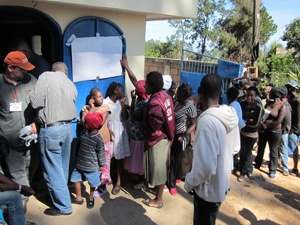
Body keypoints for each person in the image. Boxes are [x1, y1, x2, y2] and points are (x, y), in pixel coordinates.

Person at [184, 73, 240, 225]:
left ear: (200, 92)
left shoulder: (207, 122)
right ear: (220, 92)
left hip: (207, 192)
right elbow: (235, 148)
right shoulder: (230, 116)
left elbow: (205, 167)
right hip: (221, 185)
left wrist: (189, 182)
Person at [30, 62, 78, 216]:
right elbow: (74, 99)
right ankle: (61, 197)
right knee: (62, 168)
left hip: (51, 129)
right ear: (65, 71)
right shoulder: (70, 83)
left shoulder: (45, 76)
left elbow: (35, 102)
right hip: (68, 129)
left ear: (53, 69)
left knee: (52, 170)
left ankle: (63, 206)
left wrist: (30, 93)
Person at [0, 51, 36, 204]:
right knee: (19, 176)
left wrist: (36, 121)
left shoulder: (31, 80)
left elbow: (41, 104)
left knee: (28, 171)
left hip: (31, 141)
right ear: (10, 68)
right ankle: (20, 210)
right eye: (21, 69)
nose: (25, 72)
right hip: (10, 141)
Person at [142, 71, 175, 209]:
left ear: (152, 85)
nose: (144, 87)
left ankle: (158, 200)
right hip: (166, 136)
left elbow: (156, 124)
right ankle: (157, 191)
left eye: (146, 84)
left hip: (158, 139)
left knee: (159, 170)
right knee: (161, 168)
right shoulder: (165, 96)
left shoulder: (155, 103)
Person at [120, 55, 149, 189]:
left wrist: (130, 102)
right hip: (139, 135)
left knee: (139, 160)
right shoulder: (145, 97)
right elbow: (135, 81)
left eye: (137, 90)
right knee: (138, 159)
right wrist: (127, 66)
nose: (135, 89)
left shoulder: (143, 104)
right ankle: (139, 179)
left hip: (140, 136)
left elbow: (132, 116)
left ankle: (142, 181)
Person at [70, 112, 106, 209]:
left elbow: (101, 153)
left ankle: (91, 198)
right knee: (75, 179)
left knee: (93, 183)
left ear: (89, 125)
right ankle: (79, 198)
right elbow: (79, 146)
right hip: (79, 164)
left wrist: (102, 165)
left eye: (85, 122)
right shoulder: (83, 133)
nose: (83, 123)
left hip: (91, 166)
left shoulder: (98, 139)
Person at [168, 83, 197, 196]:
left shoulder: (190, 108)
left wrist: (184, 135)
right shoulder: (175, 103)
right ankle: (177, 176)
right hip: (171, 134)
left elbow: (193, 124)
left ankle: (172, 184)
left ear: (182, 95)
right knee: (175, 157)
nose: (175, 93)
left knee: (175, 159)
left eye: (178, 92)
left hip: (181, 135)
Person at [104, 82, 130, 195]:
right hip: (110, 131)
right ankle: (107, 178)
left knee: (118, 158)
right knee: (108, 158)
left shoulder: (120, 102)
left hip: (119, 133)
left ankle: (118, 182)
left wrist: (123, 105)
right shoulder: (105, 102)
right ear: (115, 91)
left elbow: (125, 117)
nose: (122, 92)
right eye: (120, 90)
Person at [254, 86, 287, 178]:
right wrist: (261, 123)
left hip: (274, 131)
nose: (269, 93)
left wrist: (266, 126)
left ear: (276, 94)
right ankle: (257, 163)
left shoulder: (282, 106)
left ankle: (272, 170)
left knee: (273, 151)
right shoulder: (269, 103)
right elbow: (262, 114)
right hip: (264, 130)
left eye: (271, 92)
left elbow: (278, 121)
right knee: (261, 147)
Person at [238, 86, 263, 182]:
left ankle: (243, 173)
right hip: (242, 132)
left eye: (251, 96)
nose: (249, 98)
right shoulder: (242, 104)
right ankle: (242, 169)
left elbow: (255, 123)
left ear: (255, 96)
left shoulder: (258, 107)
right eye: (248, 96)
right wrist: (248, 120)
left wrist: (245, 121)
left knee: (248, 154)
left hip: (252, 135)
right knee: (242, 152)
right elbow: (239, 118)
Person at [226, 86, 246, 174]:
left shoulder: (230, 107)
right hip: (238, 130)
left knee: (229, 153)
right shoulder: (237, 104)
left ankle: (231, 169)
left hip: (232, 131)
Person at [285, 81, 300, 174]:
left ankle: (295, 167)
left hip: (294, 129)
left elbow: (298, 116)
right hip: (289, 126)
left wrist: (294, 129)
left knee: (294, 147)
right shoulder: (290, 99)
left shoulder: (297, 101)